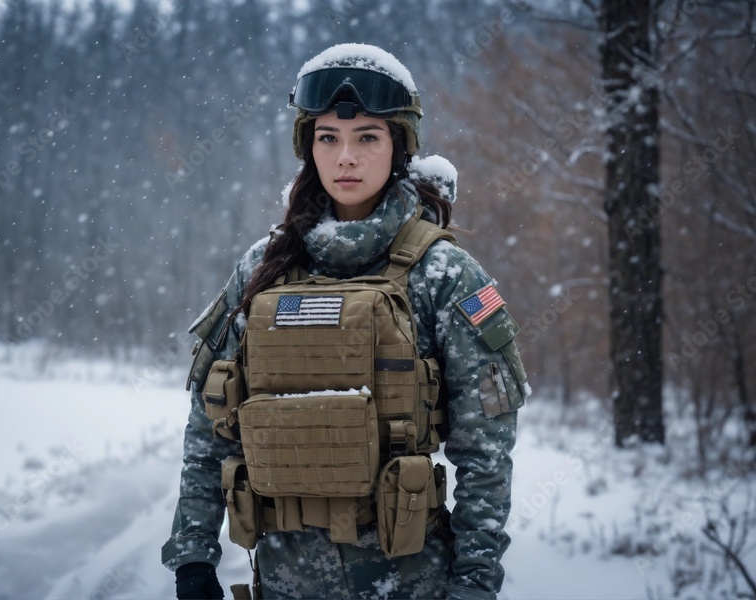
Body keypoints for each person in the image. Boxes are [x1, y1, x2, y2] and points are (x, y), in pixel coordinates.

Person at [162, 43, 529, 600]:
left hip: (406, 582)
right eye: (327, 138)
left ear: (398, 146)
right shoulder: (264, 269)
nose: (345, 158)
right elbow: (209, 422)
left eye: (367, 139)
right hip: (285, 580)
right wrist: (193, 557)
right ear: (309, 147)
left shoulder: (443, 272)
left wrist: (476, 581)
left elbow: (486, 450)